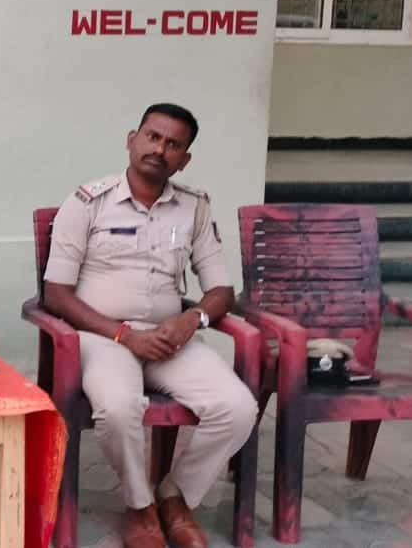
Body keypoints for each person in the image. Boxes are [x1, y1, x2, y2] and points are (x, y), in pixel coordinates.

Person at [42, 103, 258, 548]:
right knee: (118, 408)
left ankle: (175, 497)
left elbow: (222, 290)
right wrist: (124, 335)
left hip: (168, 339)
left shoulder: (194, 208)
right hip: (104, 338)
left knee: (238, 408)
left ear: (184, 159)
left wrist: (192, 319)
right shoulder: (88, 202)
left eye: (173, 144)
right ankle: (139, 506)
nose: (159, 149)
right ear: (132, 139)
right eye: (153, 137)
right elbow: (56, 294)